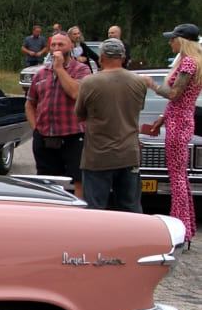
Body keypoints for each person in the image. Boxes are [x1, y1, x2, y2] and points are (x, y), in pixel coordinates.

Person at [142, 23, 202, 241]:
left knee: (176, 177)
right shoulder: (193, 62)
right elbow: (179, 100)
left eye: (173, 39)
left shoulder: (188, 62)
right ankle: (187, 225)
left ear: (183, 41)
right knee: (180, 177)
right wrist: (162, 118)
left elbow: (175, 94)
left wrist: (152, 85)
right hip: (179, 119)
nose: (170, 42)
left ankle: (180, 226)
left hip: (179, 123)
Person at [74, 38, 148, 212]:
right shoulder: (138, 82)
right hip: (129, 155)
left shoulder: (90, 82)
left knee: (96, 209)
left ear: (101, 57)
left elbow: (80, 115)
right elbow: (138, 109)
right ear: (123, 57)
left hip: (98, 155)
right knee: (131, 207)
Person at [24, 31, 88, 198]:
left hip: (73, 135)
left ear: (71, 46)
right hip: (45, 136)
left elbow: (76, 93)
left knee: (79, 179)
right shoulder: (41, 73)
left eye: (61, 44)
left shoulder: (82, 70)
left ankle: (78, 217)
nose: (56, 48)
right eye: (53, 45)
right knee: (47, 182)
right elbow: (30, 103)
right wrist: (35, 129)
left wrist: (59, 69)